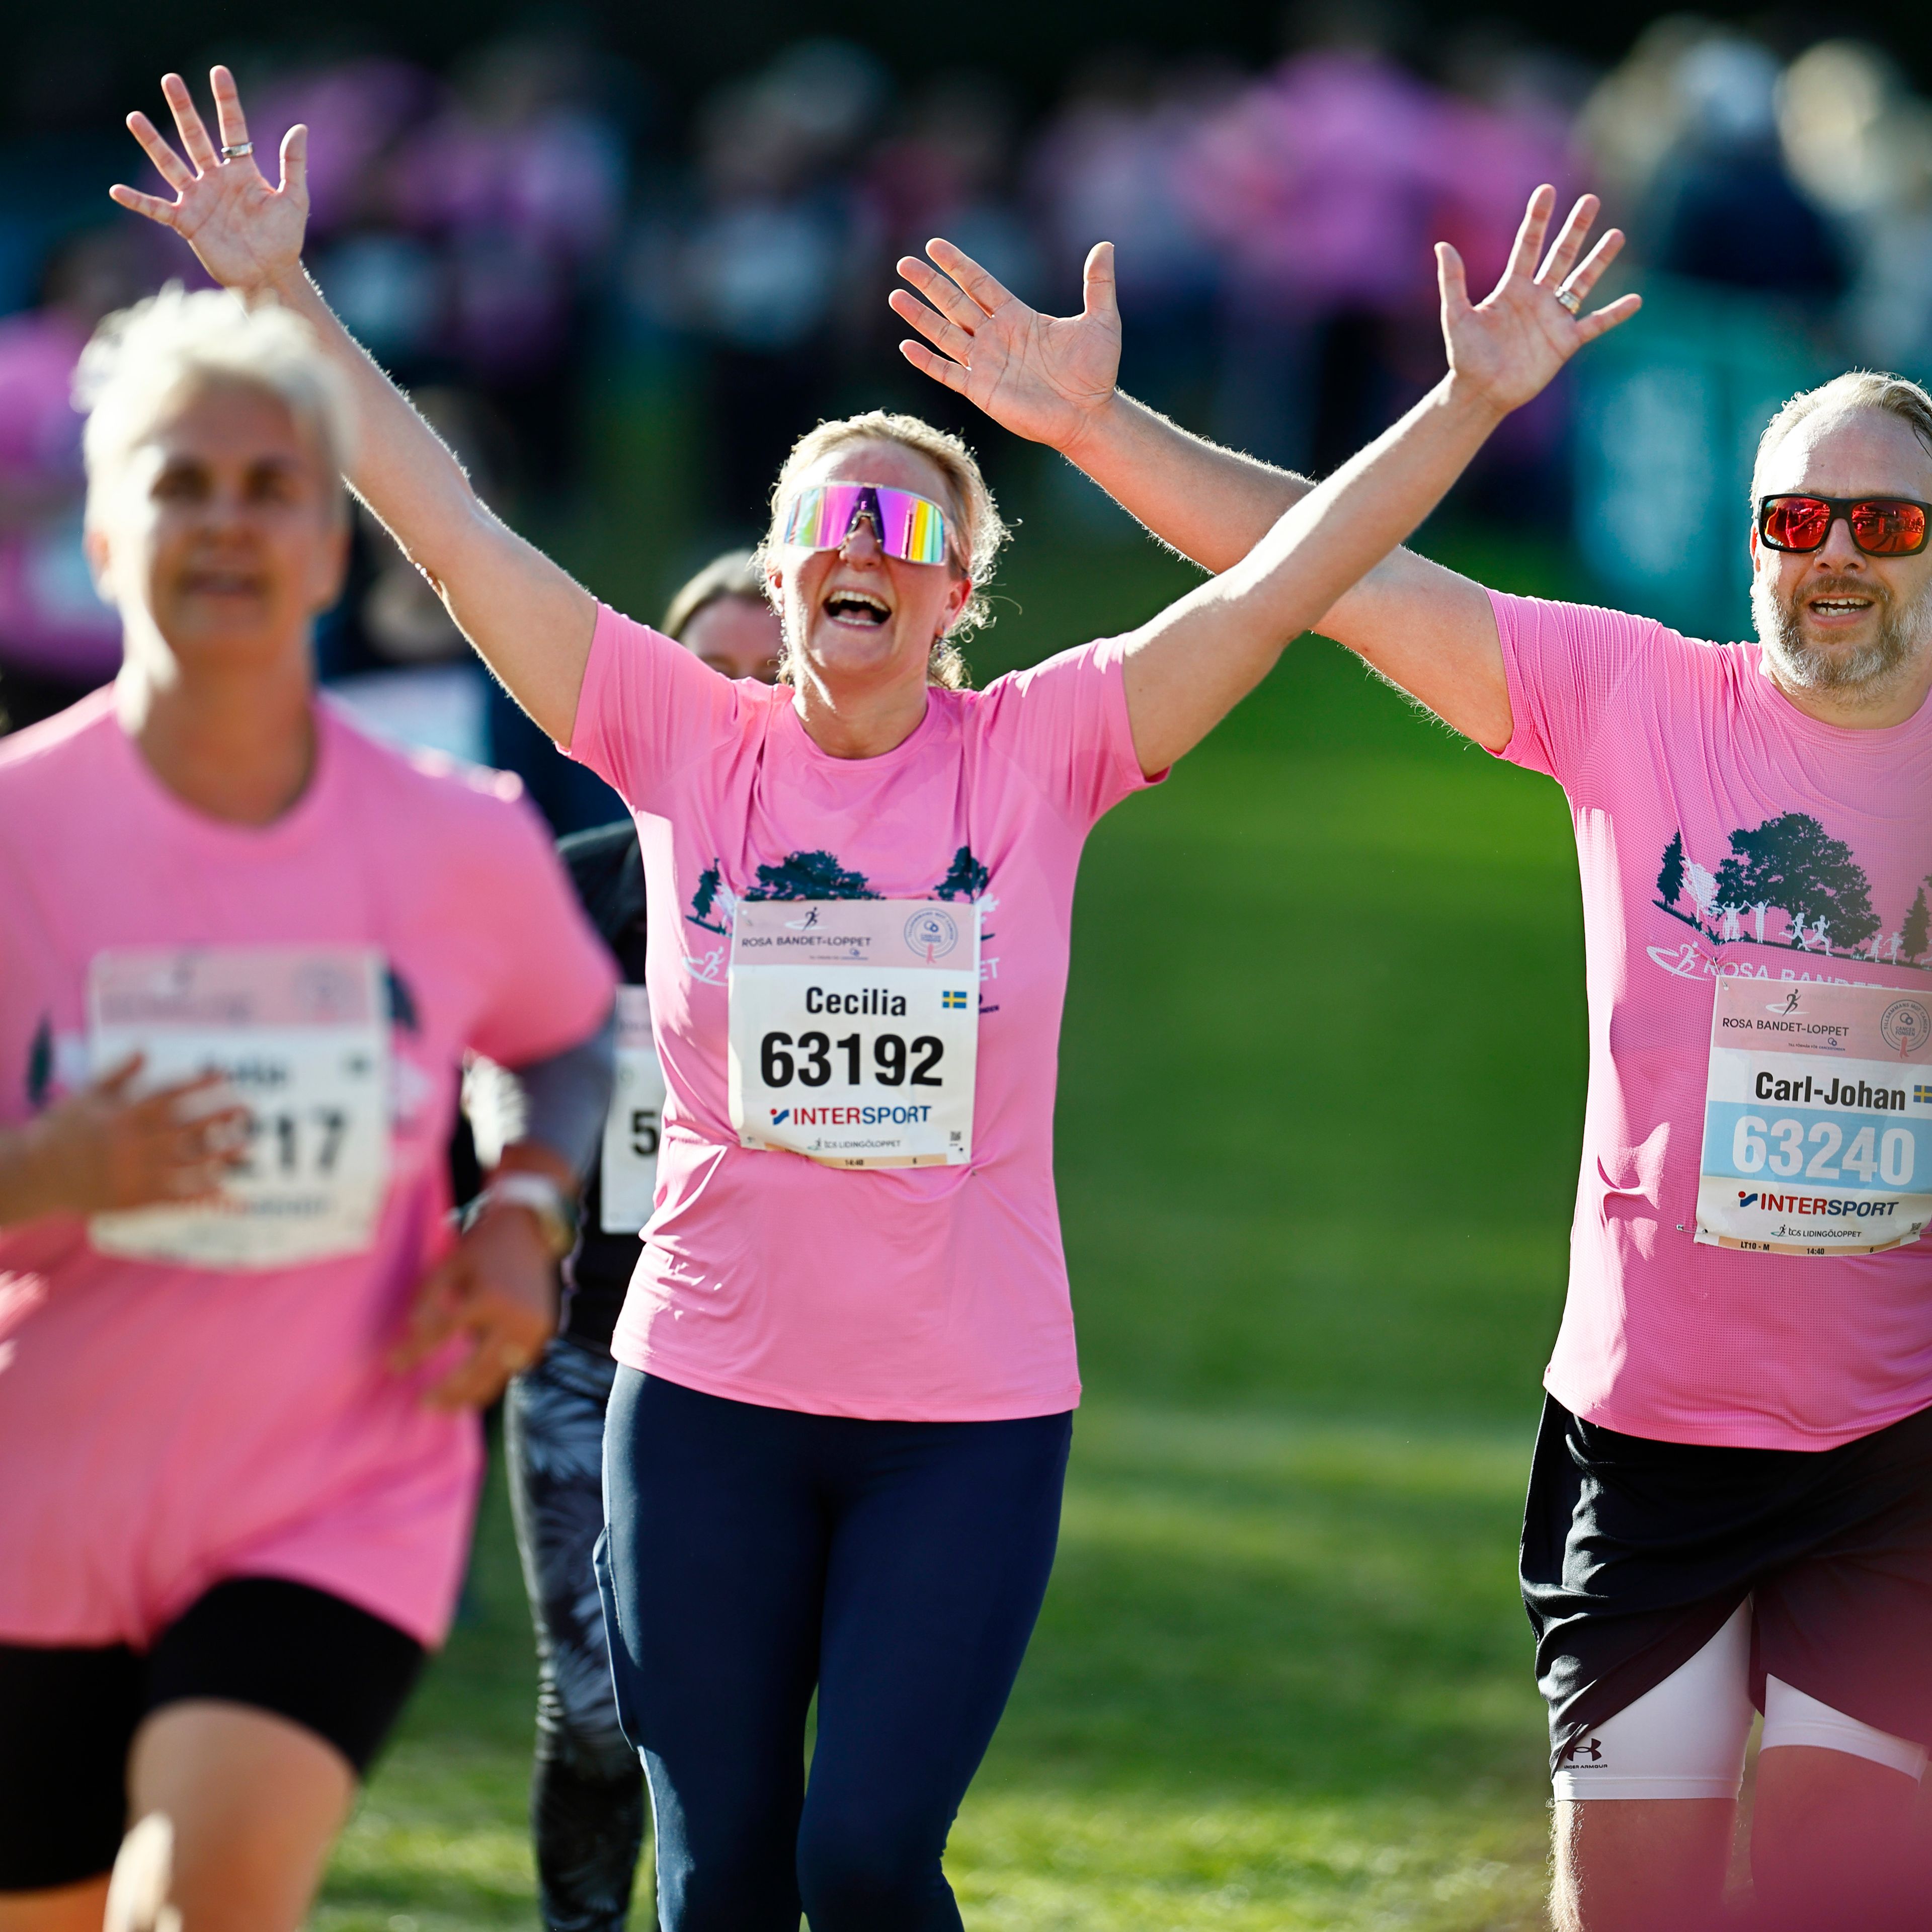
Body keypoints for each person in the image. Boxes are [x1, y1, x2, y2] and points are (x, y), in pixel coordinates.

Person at [115, 65, 1632, 1930]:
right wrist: (281, 292)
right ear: (778, 565)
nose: (869, 555)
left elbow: (1297, 573)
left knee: (865, 1862)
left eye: (915, 537)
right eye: (838, 523)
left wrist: (1469, 399)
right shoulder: (680, 730)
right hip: (705, 1403)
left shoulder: (1052, 746)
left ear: (961, 596)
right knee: (726, 1875)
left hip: (966, 1420)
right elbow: (450, 524)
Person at [894, 193, 1932, 1932]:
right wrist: (1087, 424)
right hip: (1651, 1440)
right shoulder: (1640, 698)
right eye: (1797, 514)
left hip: (1894, 1456)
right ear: (1751, 539)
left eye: (1883, 519)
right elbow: (1329, 571)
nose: (1835, 551)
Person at [0, 284, 617, 1932]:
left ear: (336, 550)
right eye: (181, 484)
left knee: (212, 1906)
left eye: (274, 488)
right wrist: (37, 1171)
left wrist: (522, 1210)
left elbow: (564, 1035)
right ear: (106, 539)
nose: (228, 522)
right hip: (38, 1492)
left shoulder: (456, 838)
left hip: (339, 1474)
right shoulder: (13, 837)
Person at [505, 555, 779, 1932]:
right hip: (579, 1349)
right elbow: (472, 1087)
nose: (738, 704)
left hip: (779, 1361)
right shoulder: (562, 888)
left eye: (768, 678)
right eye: (706, 676)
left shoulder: (869, 916)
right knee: (606, 1711)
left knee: (751, 1724)